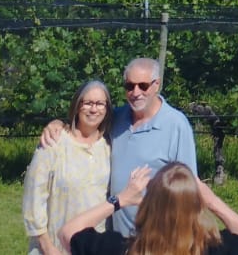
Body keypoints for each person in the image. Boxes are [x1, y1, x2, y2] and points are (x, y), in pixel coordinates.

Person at [42, 57, 198, 237]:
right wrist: (58, 124)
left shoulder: (176, 125)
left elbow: (189, 188)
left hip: (157, 238)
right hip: (116, 236)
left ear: (157, 84)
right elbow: (86, 122)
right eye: (129, 86)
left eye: (143, 86)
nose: (136, 92)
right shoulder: (116, 118)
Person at [58, 162, 238, 255]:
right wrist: (212, 201)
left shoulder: (119, 248)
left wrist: (121, 199)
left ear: (149, 206)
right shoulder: (217, 249)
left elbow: (68, 232)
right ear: (196, 207)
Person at [23, 80, 114, 255]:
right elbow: (33, 197)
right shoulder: (54, 142)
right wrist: (46, 246)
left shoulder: (108, 146)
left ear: (107, 108)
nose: (93, 109)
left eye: (100, 104)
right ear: (77, 106)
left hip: (95, 246)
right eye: (87, 103)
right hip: (55, 246)